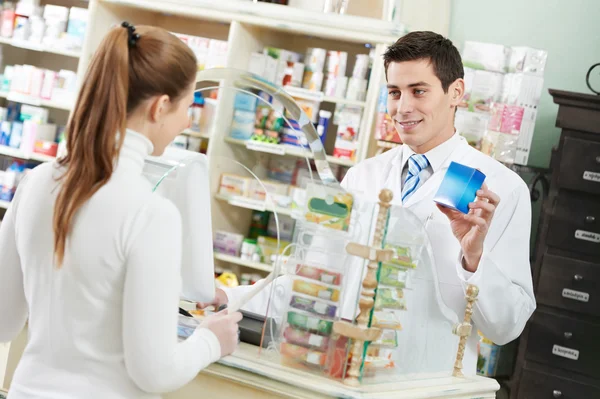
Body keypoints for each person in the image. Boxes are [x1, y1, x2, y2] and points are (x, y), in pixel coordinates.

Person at [202, 31, 536, 375]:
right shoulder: (362, 177)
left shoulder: (499, 188)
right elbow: (316, 280)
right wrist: (233, 298)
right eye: (394, 92)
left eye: (418, 91)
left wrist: (473, 258)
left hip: (430, 385)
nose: (403, 107)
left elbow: (505, 327)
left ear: (456, 93)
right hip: (350, 375)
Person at [0, 23, 241, 398]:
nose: (188, 122)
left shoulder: (35, 182)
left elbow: (3, 322)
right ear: (160, 107)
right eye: (188, 105)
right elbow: (155, 373)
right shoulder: (150, 213)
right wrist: (211, 340)